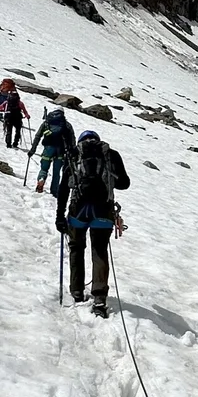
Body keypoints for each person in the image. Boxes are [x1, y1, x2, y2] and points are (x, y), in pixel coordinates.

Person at [54, 130, 130, 314]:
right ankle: (99, 298)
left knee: (76, 248)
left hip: (78, 210)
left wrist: (59, 215)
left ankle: (77, 291)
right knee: (99, 250)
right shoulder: (111, 154)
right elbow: (124, 183)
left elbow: (64, 187)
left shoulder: (73, 154)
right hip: (103, 211)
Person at [27, 107, 74, 194]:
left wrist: (32, 150)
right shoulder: (66, 125)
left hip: (48, 149)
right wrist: (72, 153)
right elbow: (72, 140)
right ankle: (54, 191)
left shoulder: (46, 123)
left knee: (44, 169)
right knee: (56, 173)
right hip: (60, 151)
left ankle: (41, 179)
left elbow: (38, 136)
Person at [0, 80, 28, 149]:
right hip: (17, 118)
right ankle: (15, 143)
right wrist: (27, 116)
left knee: (9, 131)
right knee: (17, 131)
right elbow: (25, 111)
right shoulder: (20, 103)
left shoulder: (7, 102)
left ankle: (8, 144)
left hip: (8, 117)